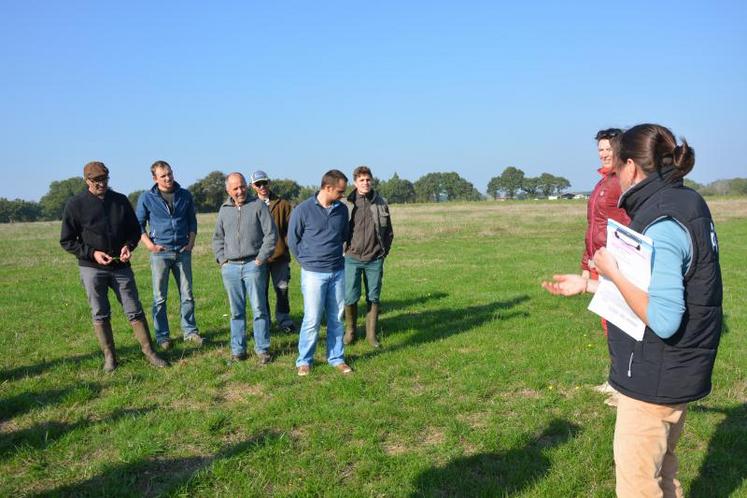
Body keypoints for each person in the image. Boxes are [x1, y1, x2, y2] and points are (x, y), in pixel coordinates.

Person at [543, 124, 722, 498]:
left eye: (616, 167)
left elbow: (663, 318)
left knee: (638, 485)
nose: (613, 175)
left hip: (654, 379)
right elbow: (659, 289)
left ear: (631, 167)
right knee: (664, 473)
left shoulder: (661, 222)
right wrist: (590, 285)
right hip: (676, 372)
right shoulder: (686, 202)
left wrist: (609, 271)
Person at [60, 161, 168, 371]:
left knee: (134, 310)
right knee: (100, 313)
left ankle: (150, 352)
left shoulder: (119, 201)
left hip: (121, 267)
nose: (102, 184)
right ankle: (110, 357)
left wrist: (128, 246)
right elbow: (67, 240)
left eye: (105, 179)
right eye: (97, 180)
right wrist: (92, 254)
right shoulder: (75, 204)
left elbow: (134, 231)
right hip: (92, 268)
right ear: (87, 180)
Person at [288, 169, 352, 376]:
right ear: (327, 187)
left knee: (336, 318)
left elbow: (343, 236)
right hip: (313, 274)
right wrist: (306, 262)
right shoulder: (303, 210)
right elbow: (292, 240)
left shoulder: (342, 210)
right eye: (340, 191)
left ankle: (336, 358)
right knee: (312, 319)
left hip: (337, 272)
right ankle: (304, 360)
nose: (343, 195)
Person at [583, 129, 631, 401]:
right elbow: (593, 226)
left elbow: (627, 224)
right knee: (608, 323)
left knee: (620, 323)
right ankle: (616, 380)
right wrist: (585, 262)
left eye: (607, 150)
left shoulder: (620, 183)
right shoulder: (602, 183)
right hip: (599, 261)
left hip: (615, 261)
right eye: (600, 150)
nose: (602, 154)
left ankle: (625, 386)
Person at [136, 160, 203, 351]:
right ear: (155, 178)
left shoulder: (185, 195)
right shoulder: (147, 198)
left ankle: (190, 331)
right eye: (163, 176)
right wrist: (150, 246)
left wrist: (191, 243)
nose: (168, 178)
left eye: (170, 174)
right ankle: (162, 336)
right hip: (160, 254)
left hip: (183, 252)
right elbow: (138, 225)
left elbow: (192, 221)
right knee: (159, 297)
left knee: (187, 295)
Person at [212, 172, 277, 364]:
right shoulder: (224, 210)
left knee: (259, 309)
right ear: (228, 190)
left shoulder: (258, 206)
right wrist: (222, 261)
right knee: (236, 311)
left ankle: (262, 349)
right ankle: (238, 350)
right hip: (230, 268)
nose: (240, 191)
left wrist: (260, 259)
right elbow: (217, 238)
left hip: (253, 265)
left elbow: (271, 235)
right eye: (235, 188)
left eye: (242, 186)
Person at [342, 165, 394, 348]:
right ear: (355, 182)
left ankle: (371, 336)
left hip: (374, 258)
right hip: (351, 258)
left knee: (373, 297)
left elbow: (389, 233)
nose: (366, 183)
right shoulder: (347, 203)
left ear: (372, 181)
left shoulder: (381, 202)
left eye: (368, 180)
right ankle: (350, 332)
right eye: (362, 180)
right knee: (350, 297)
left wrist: (382, 253)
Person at [249, 170, 296, 333]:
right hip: (258, 259)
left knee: (282, 290)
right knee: (261, 293)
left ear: (269, 182)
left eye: (264, 183)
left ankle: (284, 320)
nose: (262, 187)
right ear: (253, 186)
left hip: (280, 257)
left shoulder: (282, 204)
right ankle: (265, 322)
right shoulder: (250, 205)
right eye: (258, 184)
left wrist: (288, 247)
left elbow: (291, 230)